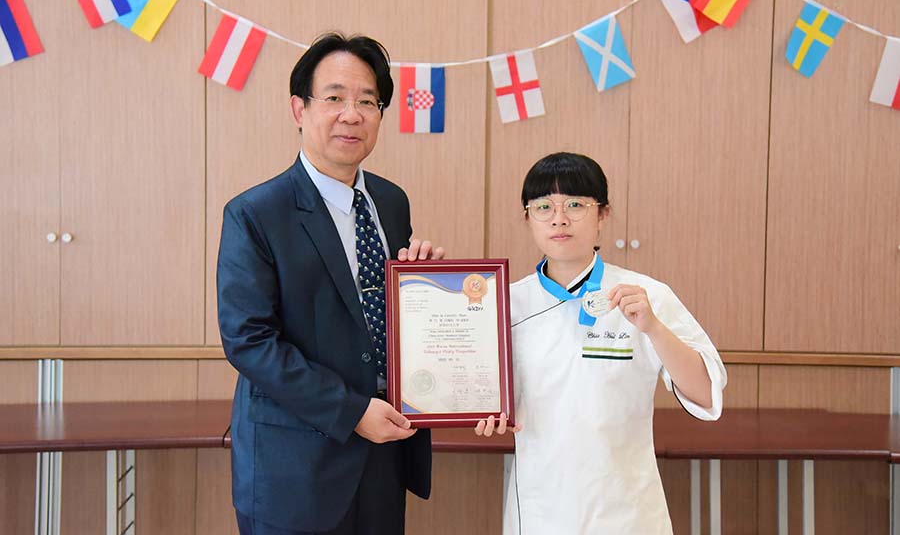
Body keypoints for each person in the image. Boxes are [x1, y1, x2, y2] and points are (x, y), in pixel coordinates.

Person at [217, 32, 443, 535]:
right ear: (299, 108)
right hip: (295, 467)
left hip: (385, 453)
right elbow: (249, 341)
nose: (352, 115)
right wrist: (351, 411)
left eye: (368, 102)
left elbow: (378, 317)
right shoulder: (255, 213)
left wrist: (425, 287)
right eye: (335, 98)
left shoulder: (391, 202)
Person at [475, 152, 726, 534]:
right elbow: (485, 395)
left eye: (575, 204)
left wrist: (654, 328)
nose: (559, 218)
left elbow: (707, 394)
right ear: (528, 219)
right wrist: (486, 413)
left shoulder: (646, 296)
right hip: (542, 508)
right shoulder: (506, 304)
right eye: (543, 207)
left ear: (603, 215)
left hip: (627, 512)